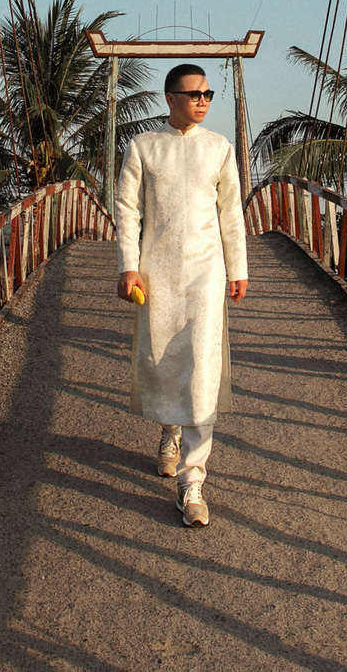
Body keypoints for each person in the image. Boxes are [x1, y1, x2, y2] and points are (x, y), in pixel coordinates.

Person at [114, 63, 249, 527]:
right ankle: (171, 431)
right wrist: (128, 267)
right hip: (159, 272)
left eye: (209, 94)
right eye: (194, 94)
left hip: (207, 273)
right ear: (170, 98)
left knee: (202, 364)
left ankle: (192, 482)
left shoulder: (219, 148)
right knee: (164, 357)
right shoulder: (144, 147)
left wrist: (239, 268)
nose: (203, 101)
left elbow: (232, 212)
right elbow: (127, 209)